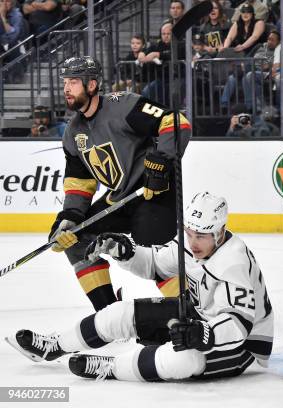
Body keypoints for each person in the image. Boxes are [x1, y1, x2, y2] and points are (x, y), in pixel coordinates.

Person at [6, 192, 274, 382]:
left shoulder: (233, 262)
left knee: (183, 360)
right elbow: (156, 264)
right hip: (202, 319)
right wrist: (125, 252)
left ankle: (113, 368)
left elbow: (239, 325)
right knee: (120, 312)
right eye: (189, 233)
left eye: (201, 236)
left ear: (220, 231)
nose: (192, 243)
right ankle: (56, 346)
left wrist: (205, 334)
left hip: (242, 346)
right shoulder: (191, 243)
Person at [48, 56, 191, 311]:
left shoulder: (123, 105)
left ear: (91, 85)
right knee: (77, 238)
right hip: (120, 199)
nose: (67, 89)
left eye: (73, 82)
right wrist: (69, 216)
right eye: (65, 82)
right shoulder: (73, 131)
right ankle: (108, 313)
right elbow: (80, 182)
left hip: (153, 194)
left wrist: (161, 164)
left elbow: (176, 122)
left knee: (157, 259)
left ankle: (188, 310)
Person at [243, 30, 279, 110]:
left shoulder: (279, 51)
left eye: (273, 40)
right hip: (252, 67)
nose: (269, 42)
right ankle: (253, 107)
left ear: (278, 42)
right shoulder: (260, 46)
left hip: (264, 72)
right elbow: (248, 57)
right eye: (269, 39)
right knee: (236, 78)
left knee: (247, 76)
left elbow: (278, 65)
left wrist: (269, 65)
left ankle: (252, 107)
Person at [0, 0, 29, 82]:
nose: (4, 4)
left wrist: (2, 17)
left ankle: (16, 76)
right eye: (2, 1)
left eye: (7, 1)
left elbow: (13, 36)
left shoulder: (17, 15)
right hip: (3, 46)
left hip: (15, 48)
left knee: (13, 44)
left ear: (12, 3)